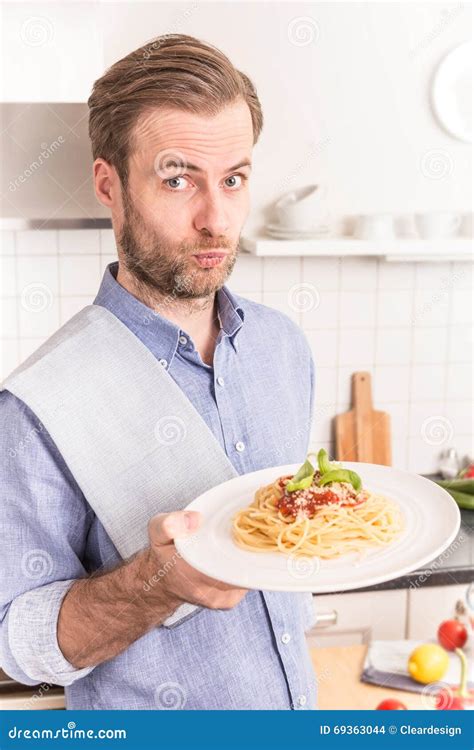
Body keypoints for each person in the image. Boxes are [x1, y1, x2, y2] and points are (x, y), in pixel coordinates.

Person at [0, 34, 317, 710]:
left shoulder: (283, 350)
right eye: (178, 179)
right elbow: (17, 641)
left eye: (233, 179)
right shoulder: (34, 407)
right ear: (108, 185)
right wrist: (155, 583)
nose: (216, 218)